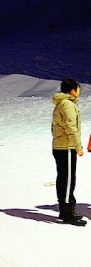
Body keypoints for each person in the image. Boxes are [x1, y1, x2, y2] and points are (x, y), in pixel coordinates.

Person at [51, 78, 86, 226]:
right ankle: (68, 213)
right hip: (66, 147)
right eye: (78, 89)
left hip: (61, 146)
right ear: (72, 90)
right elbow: (71, 127)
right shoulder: (67, 105)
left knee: (64, 178)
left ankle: (64, 210)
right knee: (68, 180)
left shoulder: (62, 104)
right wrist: (78, 146)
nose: (79, 91)